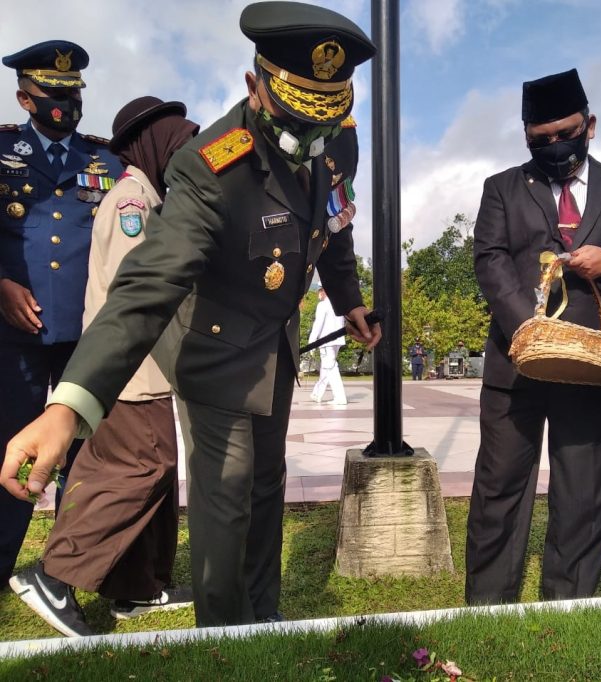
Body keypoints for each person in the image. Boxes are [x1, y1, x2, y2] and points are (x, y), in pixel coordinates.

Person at [0, 1, 380, 629]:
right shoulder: (209, 166)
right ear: (255, 87)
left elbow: (330, 223)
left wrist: (351, 301)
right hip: (215, 347)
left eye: (325, 118)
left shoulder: (335, 139)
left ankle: (263, 623)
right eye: (296, 119)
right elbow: (147, 285)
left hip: (277, 345)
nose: (308, 139)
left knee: (267, 487)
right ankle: (225, 640)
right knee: (226, 497)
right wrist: (66, 408)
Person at [466, 69, 601, 605]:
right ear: (526, 136)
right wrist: (526, 329)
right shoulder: (501, 188)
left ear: (589, 125)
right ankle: (487, 607)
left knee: (584, 492)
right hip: (516, 364)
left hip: (590, 369)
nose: (554, 146)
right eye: (539, 139)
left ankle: (569, 605)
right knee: (499, 488)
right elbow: (490, 259)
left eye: (565, 133)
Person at [8, 97, 199, 637]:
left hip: (150, 369)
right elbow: (136, 293)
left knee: (157, 479)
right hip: (131, 371)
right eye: (177, 141)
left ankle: (136, 589)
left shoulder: (152, 198)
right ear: (151, 143)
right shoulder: (131, 202)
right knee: (142, 468)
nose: (186, 151)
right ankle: (52, 575)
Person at [0, 41, 122, 590]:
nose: (66, 104)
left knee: (84, 454)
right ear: (25, 98)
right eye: (54, 94)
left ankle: (68, 572)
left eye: (72, 94)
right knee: (10, 444)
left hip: (83, 335)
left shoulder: (108, 163)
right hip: (12, 334)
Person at [308, 287, 347, 405]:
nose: (318, 294)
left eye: (319, 291)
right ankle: (317, 393)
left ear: (323, 291)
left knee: (331, 368)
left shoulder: (323, 305)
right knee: (326, 367)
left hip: (326, 341)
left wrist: (312, 342)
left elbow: (318, 324)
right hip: (337, 340)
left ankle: (340, 397)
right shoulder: (338, 304)